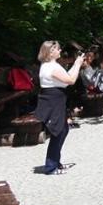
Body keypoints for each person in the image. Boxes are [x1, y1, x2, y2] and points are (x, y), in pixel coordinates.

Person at [34, 41, 86, 174]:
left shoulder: (50, 66)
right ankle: (51, 167)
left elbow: (68, 78)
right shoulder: (52, 68)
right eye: (57, 49)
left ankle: (55, 162)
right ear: (50, 52)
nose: (60, 50)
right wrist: (77, 64)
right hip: (53, 101)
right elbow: (71, 80)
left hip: (56, 100)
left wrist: (76, 64)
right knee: (58, 132)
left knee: (63, 130)